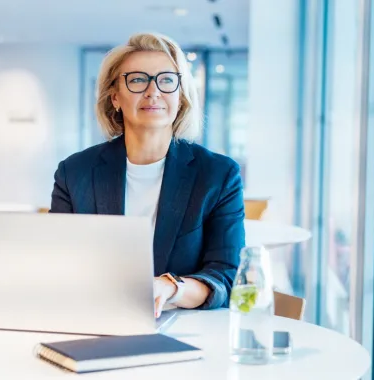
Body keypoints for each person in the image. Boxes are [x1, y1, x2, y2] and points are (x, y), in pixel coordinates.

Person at [50, 32, 245, 317]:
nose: (153, 91)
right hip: (95, 321)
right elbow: (56, 264)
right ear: (115, 97)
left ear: (181, 96)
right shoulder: (74, 173)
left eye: (166, 80)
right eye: (138, 80)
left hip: (186, 329)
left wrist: (171, 287)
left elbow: (226, 277)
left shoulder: (218, 175)